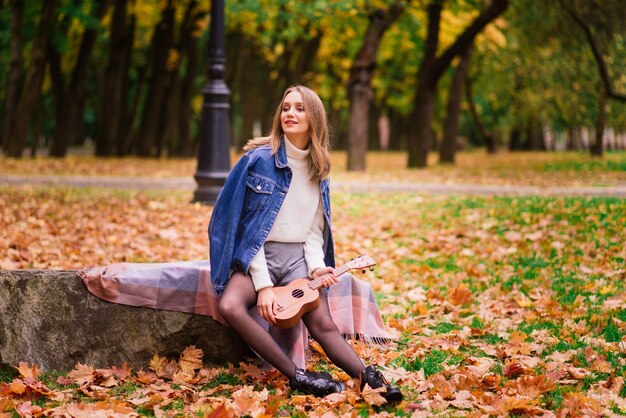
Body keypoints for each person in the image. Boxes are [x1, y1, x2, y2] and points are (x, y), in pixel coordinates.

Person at [208, 85, 403, 403]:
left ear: (314, 118)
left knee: (323, 323)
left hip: (297, 256)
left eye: (299, 108)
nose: (290, 114)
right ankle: (298, 376)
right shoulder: (258, 161)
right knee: (230, 305)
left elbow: (314, 230)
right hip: (258, 254)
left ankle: (369, 378)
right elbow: (242, 226)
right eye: (285, 108)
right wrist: (264, 285)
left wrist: (315, 267)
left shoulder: (319, 168)